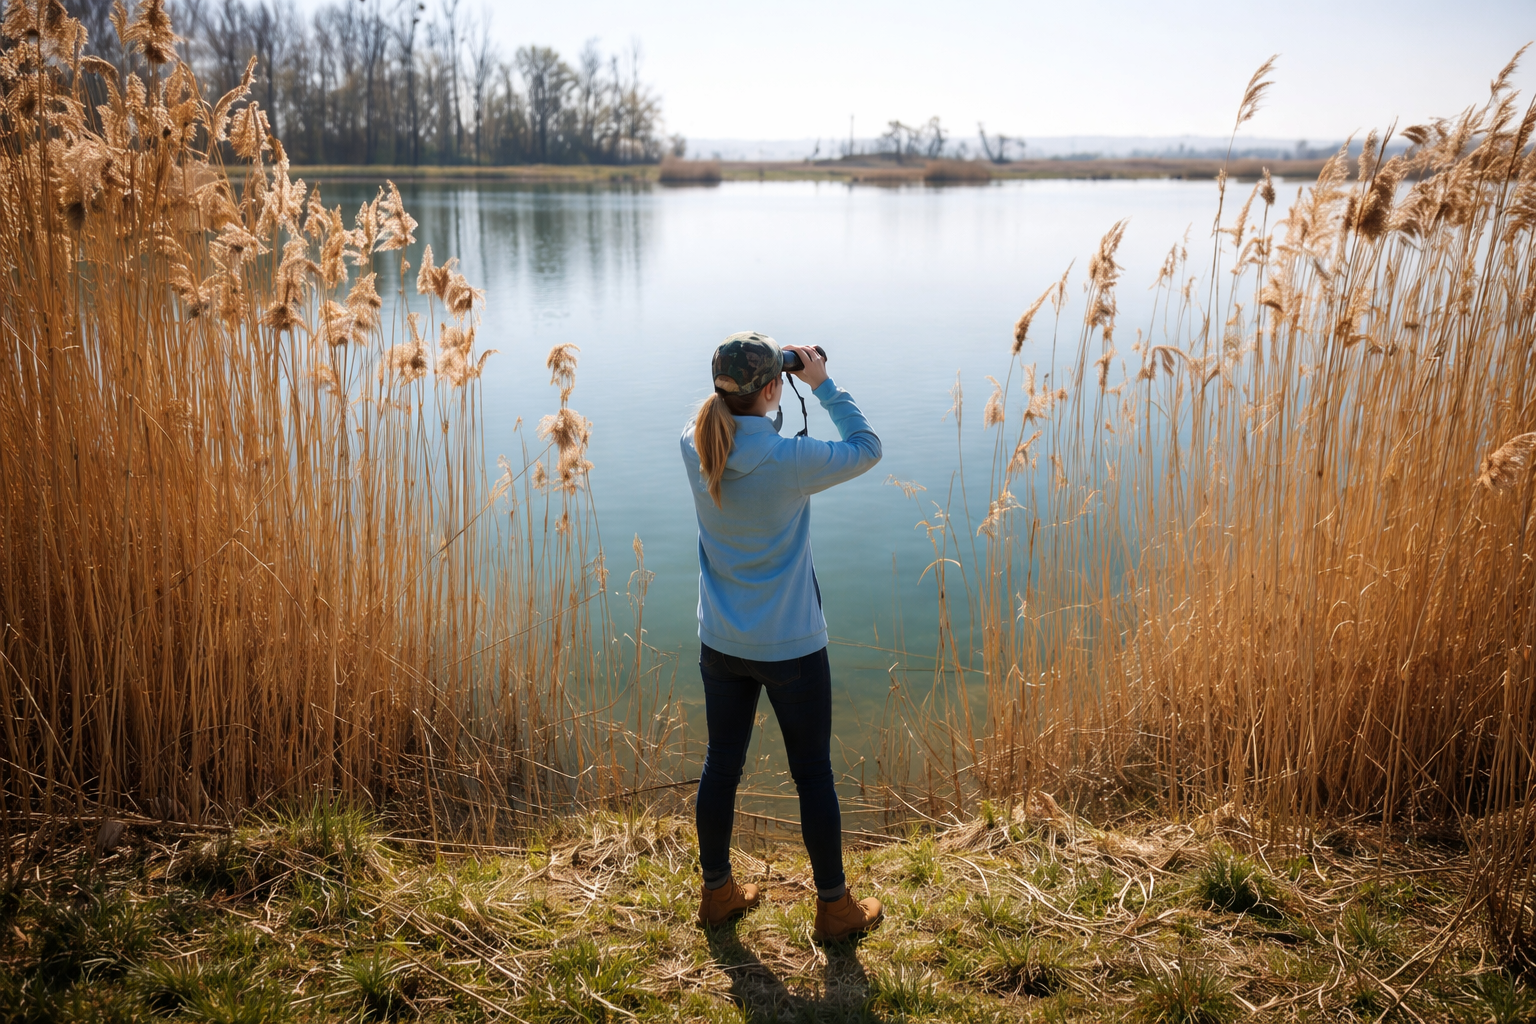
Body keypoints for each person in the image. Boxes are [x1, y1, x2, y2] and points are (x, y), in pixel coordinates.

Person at [679, 331, 884, 942]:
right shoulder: (792, 461)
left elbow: (722, 410)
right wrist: (820, 382)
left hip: (720, 641)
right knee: (812, 775)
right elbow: (867, 446)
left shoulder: (694, 446)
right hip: (791, 645)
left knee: (722, 764)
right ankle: (834, 908)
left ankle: (717, 892)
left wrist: (756, 377)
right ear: (773, 390)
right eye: (778, 379)